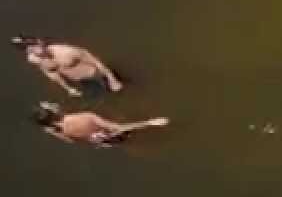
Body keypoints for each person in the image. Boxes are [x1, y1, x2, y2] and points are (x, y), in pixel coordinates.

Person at [12, 37, 123, 96]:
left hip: (98, 75)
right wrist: (68, 88)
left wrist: (111, 78)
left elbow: (95, 60)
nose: (35, 50)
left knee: (121, 92)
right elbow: (51, 72)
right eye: (29, 49)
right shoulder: (33, 59)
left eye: (34, 45)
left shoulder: (66, 51)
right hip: (82, 82)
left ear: (40, 42)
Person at [33, 102, 167, 146]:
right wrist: (150, 122)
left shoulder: (53, 130)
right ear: (54, 112)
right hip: (118, 132)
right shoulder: (85, 116)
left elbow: (70, 141)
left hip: (102, 141)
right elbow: (118, 127)